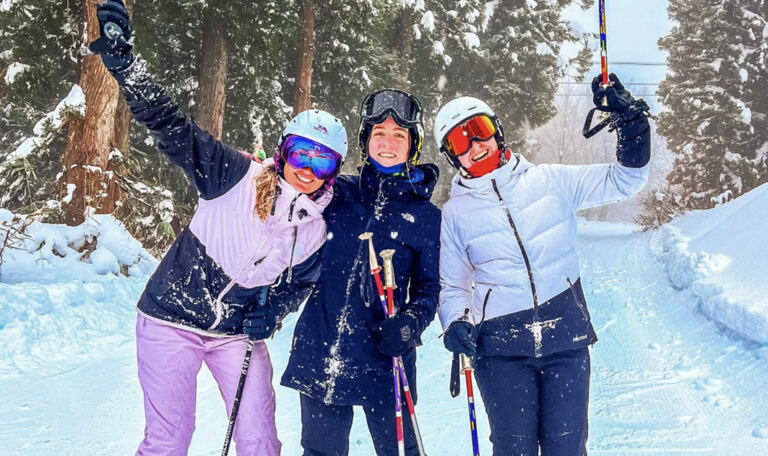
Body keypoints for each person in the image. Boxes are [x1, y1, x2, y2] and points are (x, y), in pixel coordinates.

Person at [88, 2, 347, 454]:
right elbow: (170, 125)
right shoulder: (232, 176)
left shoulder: (318, 229)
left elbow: (300, 283)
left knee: (260, 440)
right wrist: (127, 65)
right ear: (284, 151)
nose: (307, 167)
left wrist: (274, 311)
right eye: (301, 152)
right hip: (170, 319)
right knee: (169, 439)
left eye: (321, 159)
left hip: (236, 335)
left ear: (333, 169)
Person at [436, 75, 652, 455]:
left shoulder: (551, 180)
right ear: (452, 156)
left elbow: (625, 180)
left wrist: (632, 124)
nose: (474, 145)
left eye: (479, 130)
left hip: (565, 339)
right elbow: (453, 286)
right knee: (512, 448)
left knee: (566, 447)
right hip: (501, 348)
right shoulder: (455, 214)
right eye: (459, 141)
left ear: (497, 131)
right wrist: (455, 322)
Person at [280, 89, 441, 455]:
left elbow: (430, 288)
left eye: (399, 135)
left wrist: (410, 323)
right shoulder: (335, 193)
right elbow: (286, 240)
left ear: (412, 145)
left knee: (400, 451)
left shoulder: (425, 217)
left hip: (387, 356)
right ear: (365, 140)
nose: (387, 142)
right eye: (378, 133)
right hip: (323, 348)